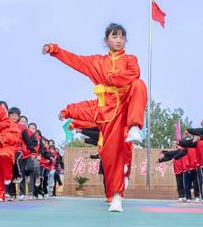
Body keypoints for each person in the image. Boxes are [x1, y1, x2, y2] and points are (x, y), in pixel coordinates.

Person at [43, 23, 148, 212]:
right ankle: (114, 197)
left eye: (122, 37)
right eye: (114, 37)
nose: (119, 40)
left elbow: (134, 74)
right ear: (106, 40)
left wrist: (109, 78)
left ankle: (134, 127)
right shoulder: (96, 62)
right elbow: (74, 60)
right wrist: (55, 51)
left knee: (139, 84)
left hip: (128, 104)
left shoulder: (131, 59)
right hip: (108, 112)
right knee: (110, 156)